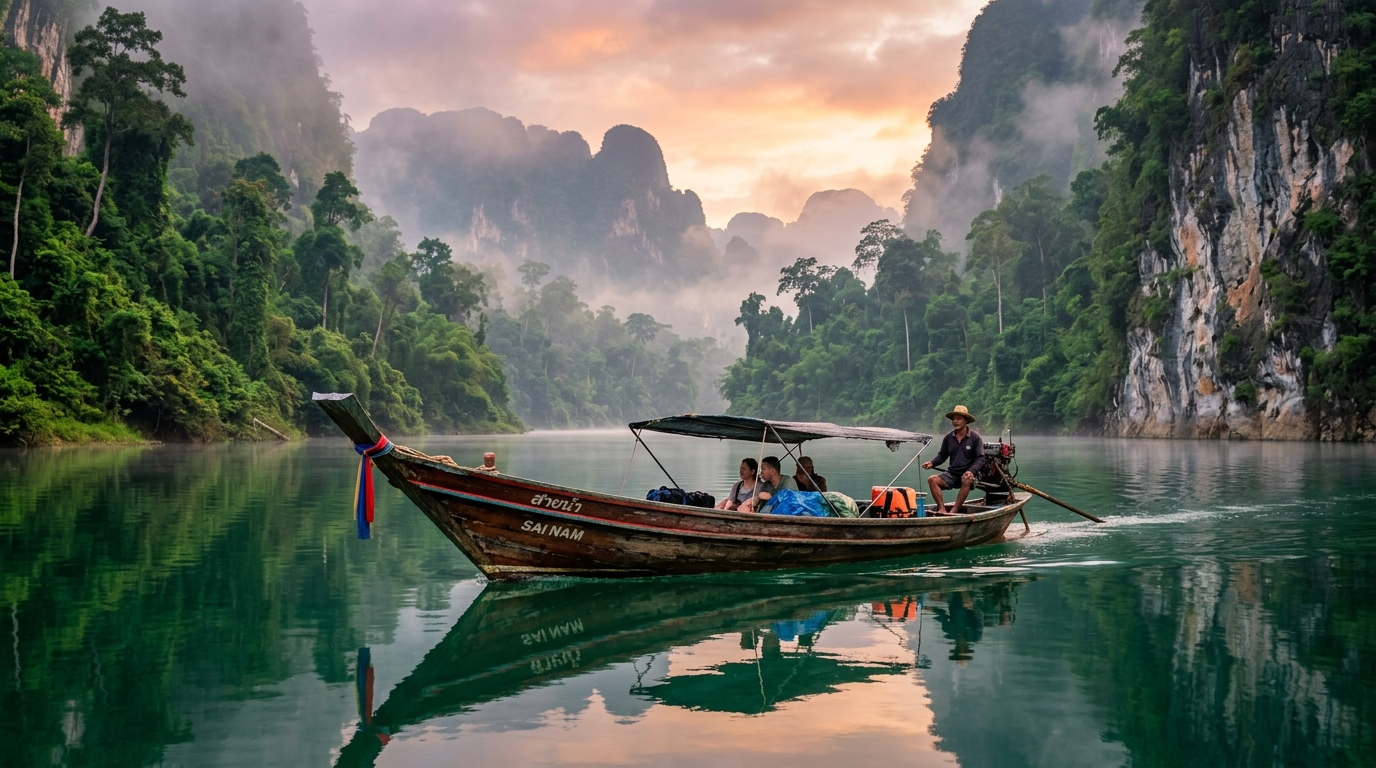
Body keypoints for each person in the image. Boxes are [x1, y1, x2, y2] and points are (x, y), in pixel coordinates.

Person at [921, 405, 985, 515]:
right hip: (952, 474)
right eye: (954, 419)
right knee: (932, 480)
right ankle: (942, 509)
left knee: (966, 479)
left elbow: (980, 458)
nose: (955, 421)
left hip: (968, 475)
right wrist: (932, 463)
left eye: (959, 419)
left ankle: (953, 511)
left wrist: (971, 471)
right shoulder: (948, 438)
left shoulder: (975, 437)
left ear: (965, 421)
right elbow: (942, 455)